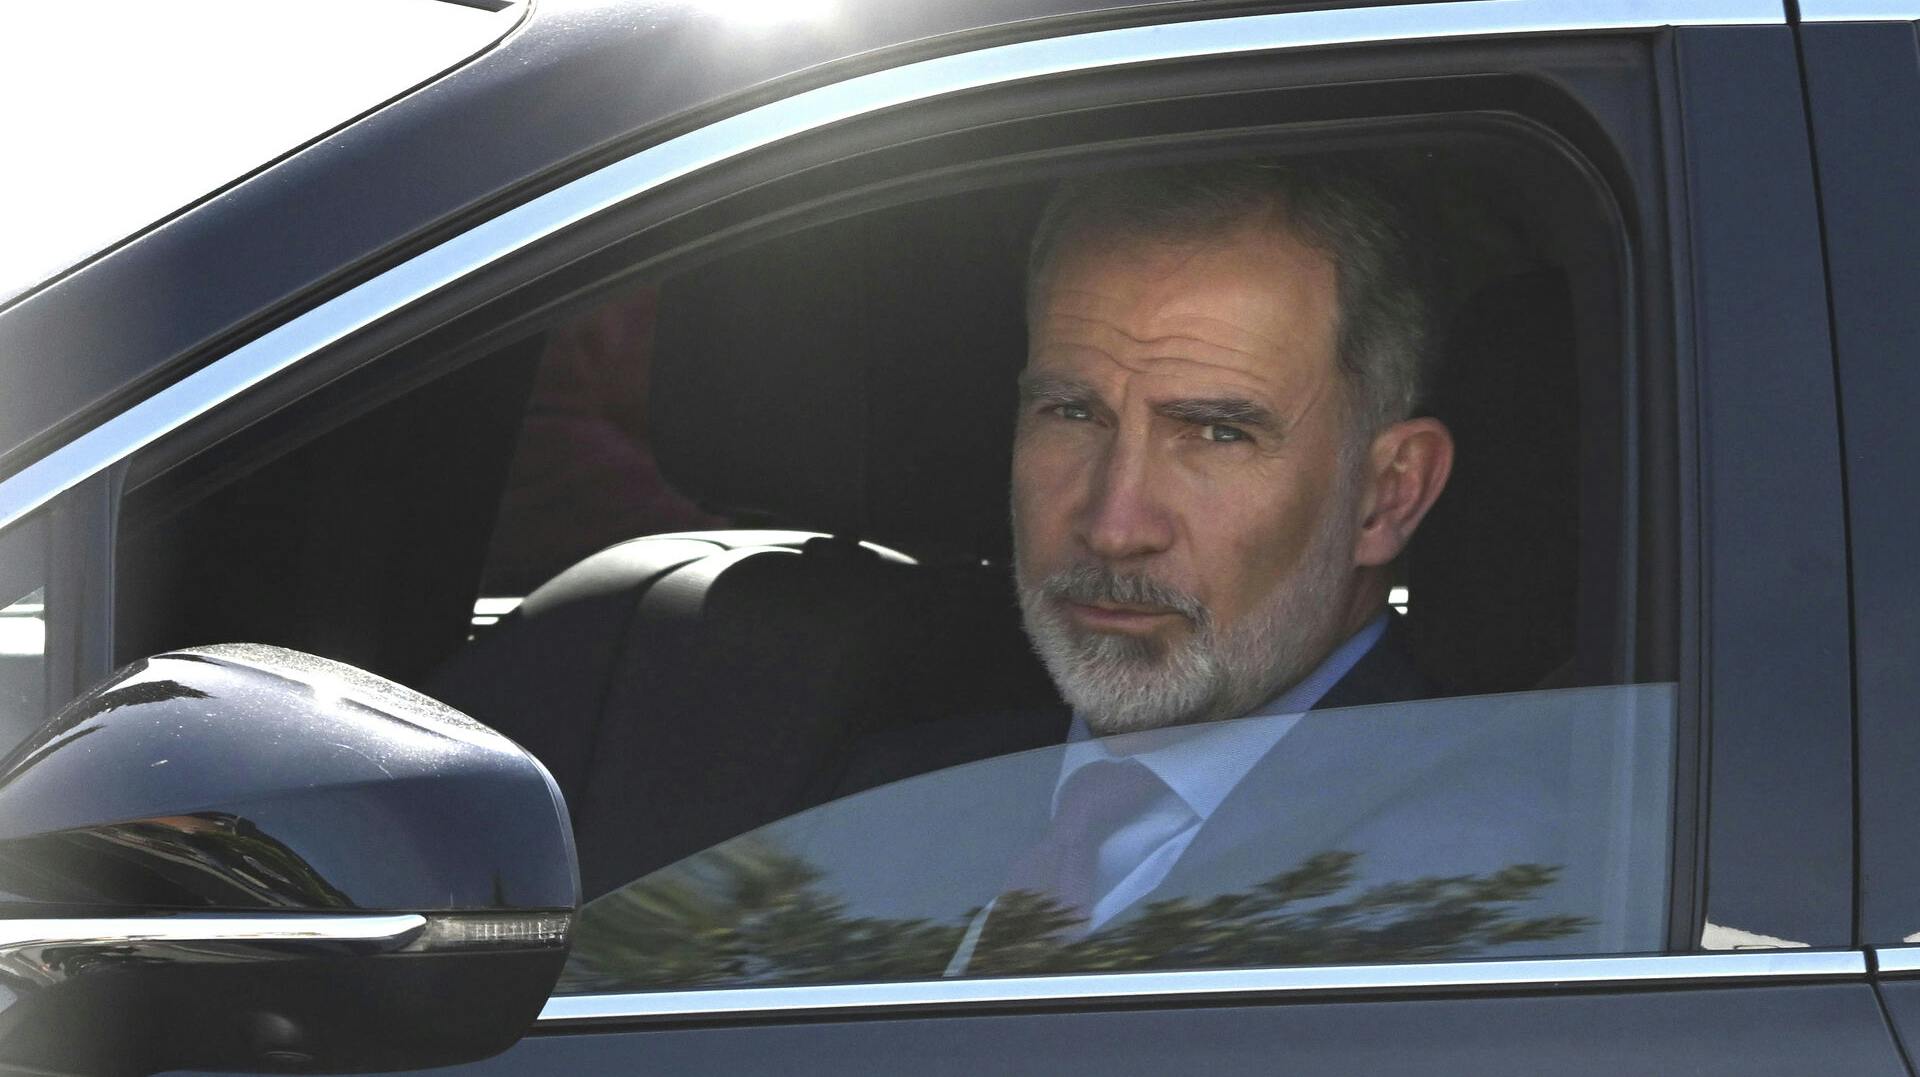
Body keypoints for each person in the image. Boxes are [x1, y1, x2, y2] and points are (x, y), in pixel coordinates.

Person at [830, 160, 1463, 936]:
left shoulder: (1487, 876)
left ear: (1387, 494)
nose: (1114, 526)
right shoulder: (889, 795)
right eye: (1071, 412)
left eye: (1218, 432)